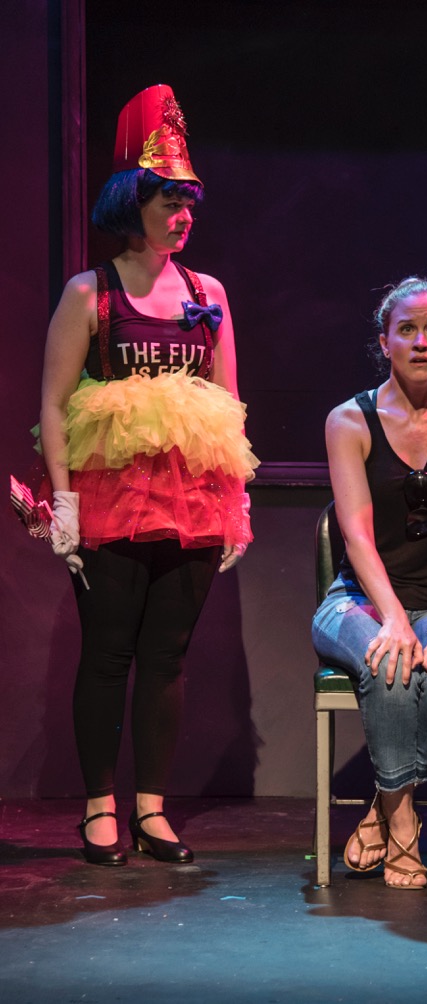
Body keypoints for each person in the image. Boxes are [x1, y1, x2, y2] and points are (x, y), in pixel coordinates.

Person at [39, 84, 258, 866]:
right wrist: (63, 505)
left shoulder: (209, 295)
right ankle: (99, 805)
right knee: (108, 652)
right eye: (169, 199)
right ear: (134, 202)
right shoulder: (89, 293)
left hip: (192, 501)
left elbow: (228, 405)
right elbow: (55, 404)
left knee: (167, 655)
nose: (183, 213)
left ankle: (152, 809)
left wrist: (236, 506)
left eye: (188, 199)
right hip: (109, 499)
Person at [312, 277, 427, 888]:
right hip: (358, 600)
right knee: (390, 666)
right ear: (385, 341)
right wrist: (392, 618)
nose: (421, 341)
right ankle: (402, 832)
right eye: (407, 330)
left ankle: (383, 805)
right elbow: (357, 534)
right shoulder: (349, 419)